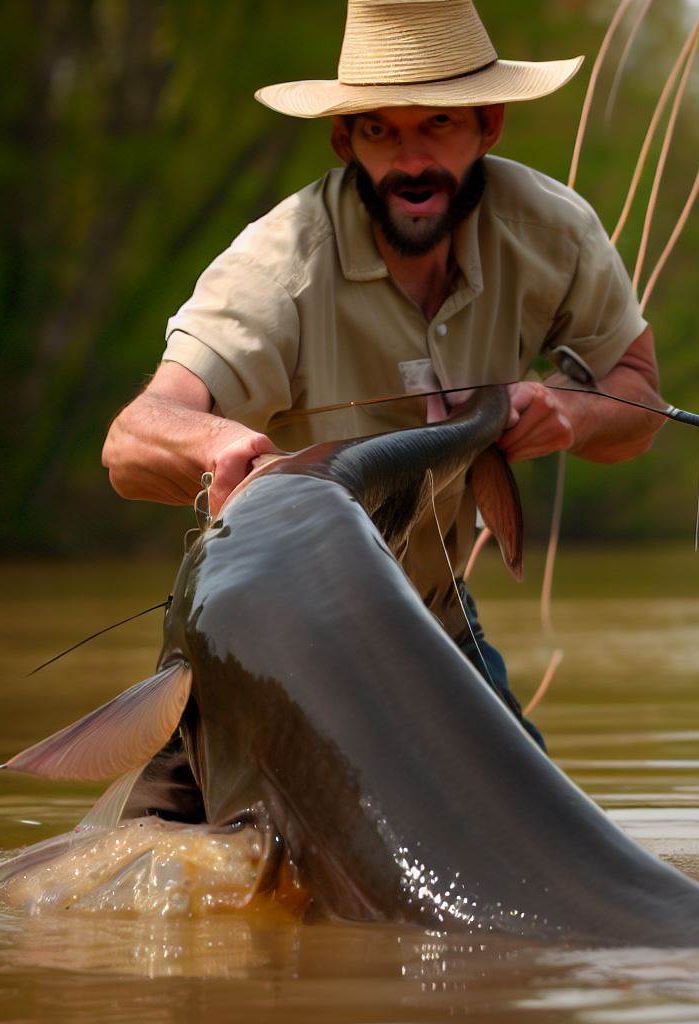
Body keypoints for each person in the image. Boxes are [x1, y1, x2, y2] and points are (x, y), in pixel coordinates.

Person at [101, 0, 664, 750]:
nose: (411, 161)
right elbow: (128, 445)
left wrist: (572, 415)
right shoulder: (278, 263)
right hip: (270, 644)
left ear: (488, 125)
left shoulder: (553, 230)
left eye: (438, 124)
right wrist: (214, 448)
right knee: (182, 863)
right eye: (381, 130)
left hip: (435, 625)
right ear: (344, 139)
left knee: (541, 849)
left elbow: (641, 398)